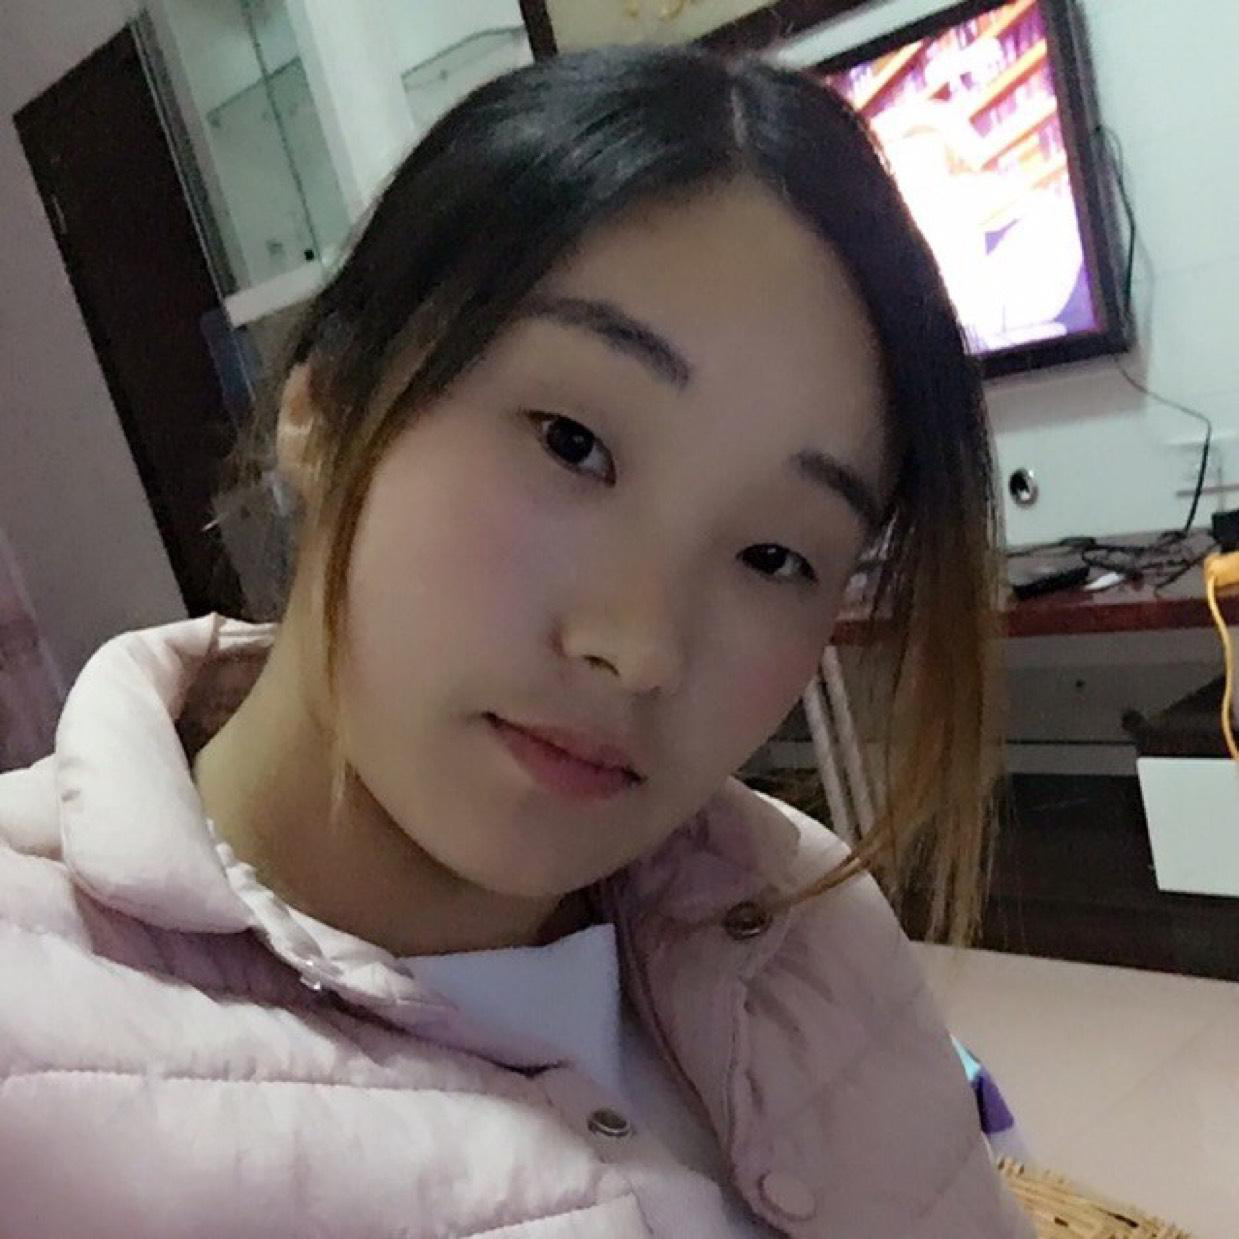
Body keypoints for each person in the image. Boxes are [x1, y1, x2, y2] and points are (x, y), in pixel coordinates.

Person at [0, 46, 1032, 1238]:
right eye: (571, 443)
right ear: (322, 406)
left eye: (774, 556)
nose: (640, 648)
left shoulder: (794, 906)